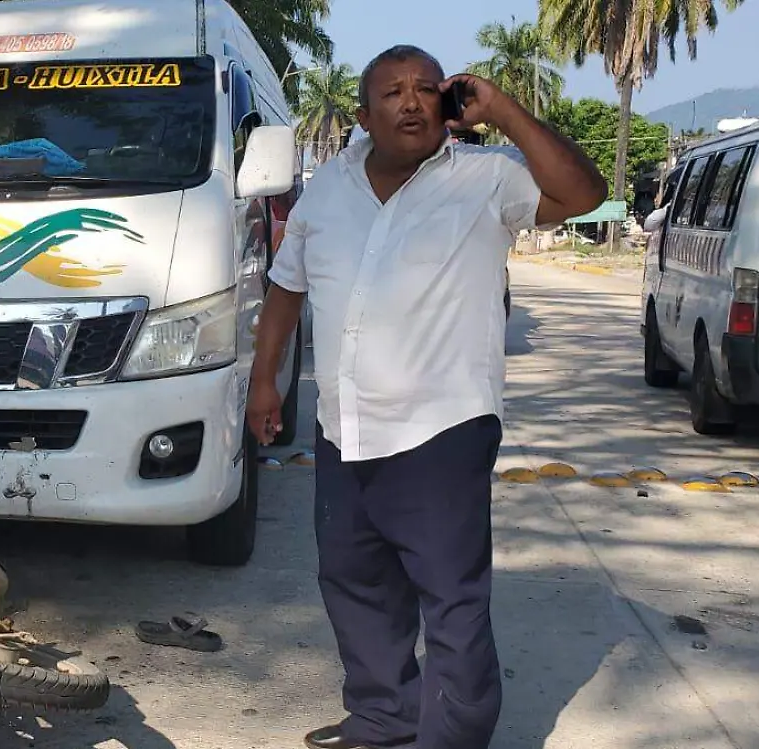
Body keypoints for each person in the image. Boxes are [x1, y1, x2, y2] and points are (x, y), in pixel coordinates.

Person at [246, 46, 606, 749]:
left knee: (452, 604)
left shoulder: (486, 179)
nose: (411, 102)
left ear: (446, 102)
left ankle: (453, 736)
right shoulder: (326, 192)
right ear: (363, 114)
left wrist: (501, 109)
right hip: (343, 426)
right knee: (355, 586)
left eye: (424, 88)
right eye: (392, 92)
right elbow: (286, 288)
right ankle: (383, 719)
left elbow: (583, 196)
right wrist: (266, 380)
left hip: (442, 428)